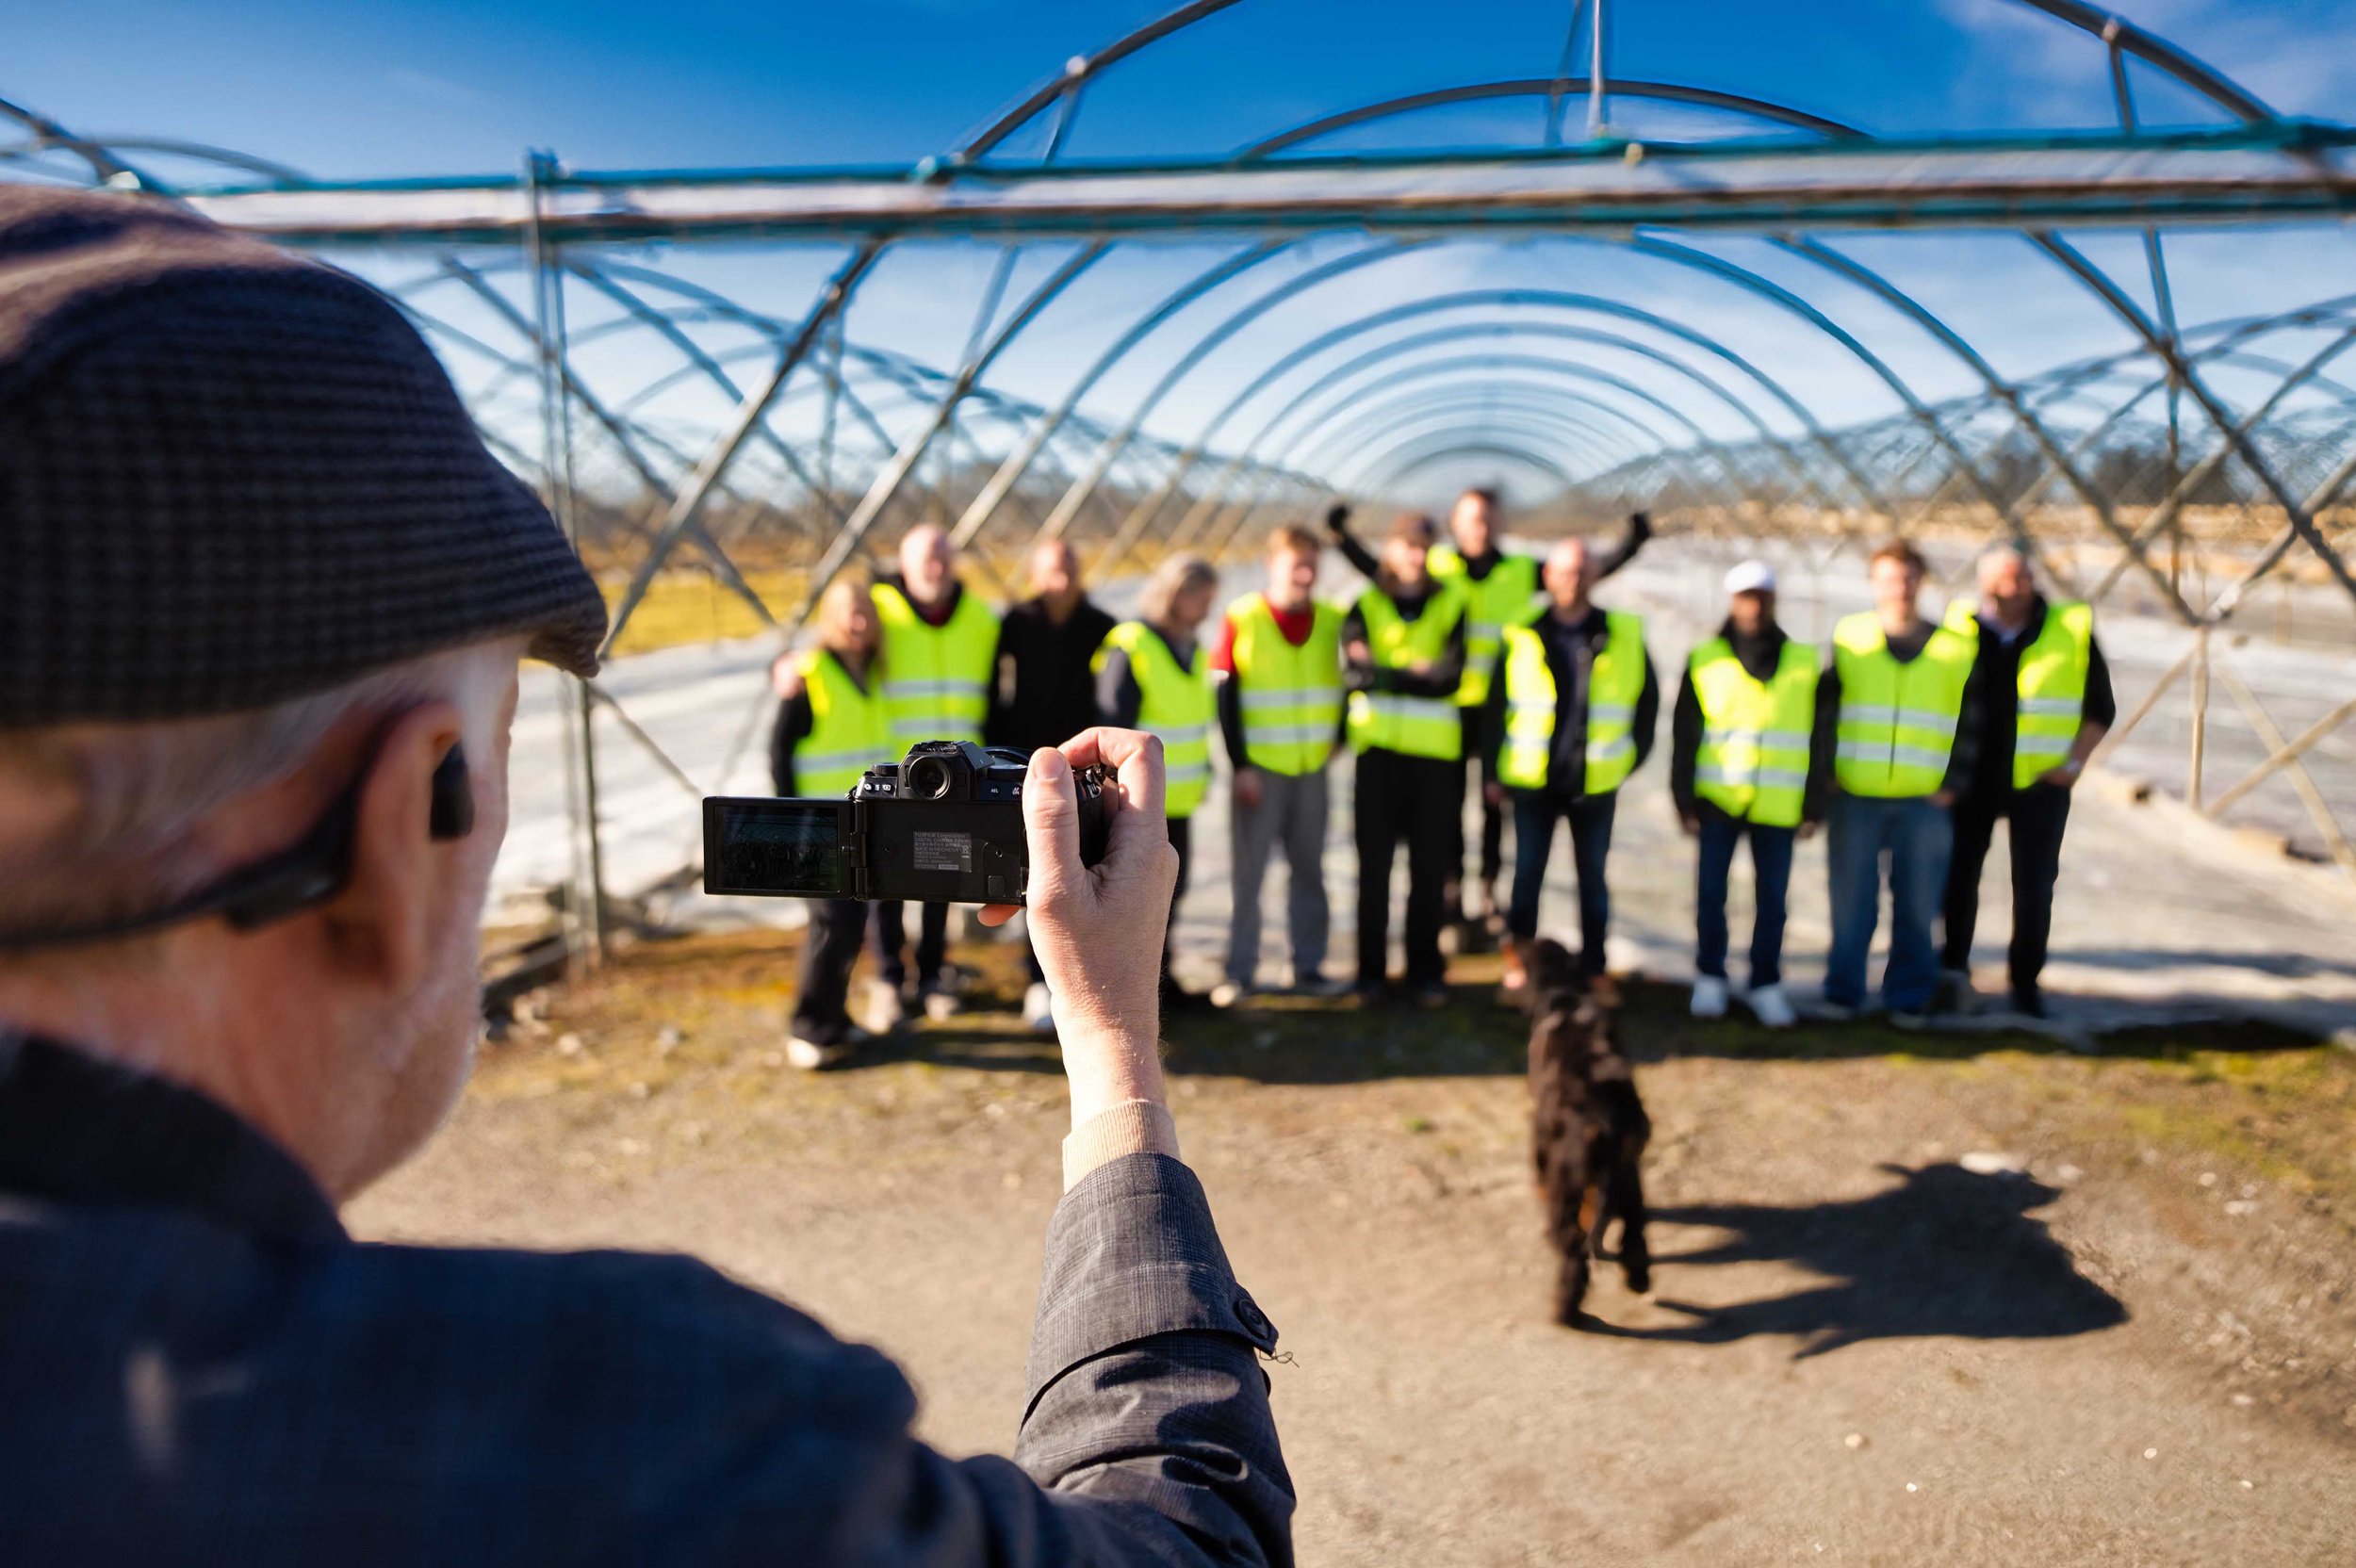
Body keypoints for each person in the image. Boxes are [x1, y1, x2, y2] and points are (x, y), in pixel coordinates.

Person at [0, 188, 1292, 1567]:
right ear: (397, 827)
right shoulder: (631, 1444)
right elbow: (1188, 1545)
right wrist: (1116, 1062)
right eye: (489, 749)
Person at [1330, 498, 1649, 947]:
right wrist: (1343, 538)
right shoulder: (1437, 564)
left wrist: (1632, 543)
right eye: (1471, 520)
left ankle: (1489, 891)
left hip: (1504, 707)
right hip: (1450, 707)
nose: (1479, 529)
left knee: (1495, 804)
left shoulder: (1520, 569)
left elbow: (1578, 573)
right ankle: (1452, 890)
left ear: (1498, 524)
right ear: (1456, 525)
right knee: (1449, 808)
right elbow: (1383, 570)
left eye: (1487, 520)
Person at [1938, 546, 2116, 1019]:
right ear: (1982, 582)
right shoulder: (1959, 627)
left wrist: (2074, 765)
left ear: (2033, 579)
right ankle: (1952, 970)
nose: (2010, 586)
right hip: (1972, 779)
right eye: (2000, 577)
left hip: (2040, 783)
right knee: (1959, 878)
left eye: (2019, 576)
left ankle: (2025, 983)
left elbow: (2100, 708)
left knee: (2034, 886)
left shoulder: (2069, 628)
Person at [1818, 538, 1984, 1025]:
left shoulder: (1952, 649)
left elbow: (1972, 721)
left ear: (1921, 582)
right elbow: (1826, 713)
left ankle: (1908, 997)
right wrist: (1827, 773)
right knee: (1851, 904)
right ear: (1873, 584)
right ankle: (1843, 993)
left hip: (1924, 800)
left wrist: (1955, 781)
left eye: (1908, 577)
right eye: (1889, 578)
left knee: (1917, 905)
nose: (1900, 588)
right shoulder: (1850, 639)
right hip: (1856, 795)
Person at [1483, 539, 1660, 988]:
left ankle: (1594, 967)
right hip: (1533, 779)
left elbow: (1647, 707)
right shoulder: (1521, 633)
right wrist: (1492, 771)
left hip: (1594, 781)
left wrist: (1626, 760)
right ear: (1548, 577)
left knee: (1592, 881)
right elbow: (1494, 708)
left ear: (1594, 576)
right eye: (1562, 571)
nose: (1571, 580)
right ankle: (1520, 966)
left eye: (1580, 571)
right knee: (1526, 875)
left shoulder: (1621, 633)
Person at [1668, 561, 1824, 1029]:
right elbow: (1685, 733)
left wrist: (1814, 802)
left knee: (1772, 900)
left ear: (1773, 602)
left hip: (1778, 802)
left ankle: (1765, 982)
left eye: (1761, 597)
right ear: (1732, 601)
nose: (1753, 607)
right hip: (1719, 798)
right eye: (1744, 597)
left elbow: (1820, 737)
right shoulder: (1706, 658)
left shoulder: (1803, 662)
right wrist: (1683, 798)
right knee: (1712, 893)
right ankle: (1709, 975)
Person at [1209, 523, 1350, 1007]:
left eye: (1313, 563)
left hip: (1312, 768)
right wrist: (1240, 764)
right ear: (1273, 565)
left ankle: (1307, 967)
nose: (1306, 573)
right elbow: (1225, 695)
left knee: (1309, 870)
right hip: (1260, 771)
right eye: (1297, 563)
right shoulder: (1244, 617)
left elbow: (1351, 680)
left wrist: (1341, 737)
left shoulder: (1332, 618)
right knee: (1249, 876)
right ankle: (1240, 972)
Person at [872, 522, 1001, 1023]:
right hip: (891, 771)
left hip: (954, 776)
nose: (936, 566)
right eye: (925, 556)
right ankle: (888, 978)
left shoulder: (980, 619)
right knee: (883, 880)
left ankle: (932, 974)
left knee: (942, 878)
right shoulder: (879, 612)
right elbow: (834, 648)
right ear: (903, 563)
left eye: (944, 556)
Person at [988, 539, 1119, 1031]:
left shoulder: (1100, 626)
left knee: (1084, 865)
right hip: (1027, 766)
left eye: (1068, 570)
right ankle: (1036, 981)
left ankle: (1086, 976)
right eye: (1050, 571)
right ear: (1035, 575)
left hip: (1083, 766)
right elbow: (995, 691)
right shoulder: (1016, 623)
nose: (1060, 581)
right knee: (1032, 871)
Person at [768, 574, 896, 1068]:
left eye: (865, 612)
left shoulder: (873, 672)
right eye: (847, 612)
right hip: (819, 826)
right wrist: (789, 821)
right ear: (830, 619)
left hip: (862, 826)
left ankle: (835, 1019)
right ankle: (809, 1027)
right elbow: (780, 752)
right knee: (828, 926)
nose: (858, 622)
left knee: (849, 925)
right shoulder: (811, 672)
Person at [1342, 513, 1470, 1005]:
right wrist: (1412, 671)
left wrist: (1384, 669)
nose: (1415, 556)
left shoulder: (1451, 603)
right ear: (1390, 549)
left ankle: (1425, 971)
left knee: (1429, 871)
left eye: (1424, 547)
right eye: (1406, 546)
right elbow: (1354, 675)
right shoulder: (1366, 603)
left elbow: (1449, 678)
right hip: (1377, 756)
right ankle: (1370, 975)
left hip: (1435, 760)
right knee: (1373, 870)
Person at [1095, 553, 1221, 1007]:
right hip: (1139, 802)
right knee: (1139, 897)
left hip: (1180, 798)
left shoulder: (1193, 647)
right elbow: (1111, 725)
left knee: (1171, 891)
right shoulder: (1132, 645)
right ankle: (1139, 990)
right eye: (1200, 598)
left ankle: (1163, 985)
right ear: (1175, 594)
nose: (1208, 608)